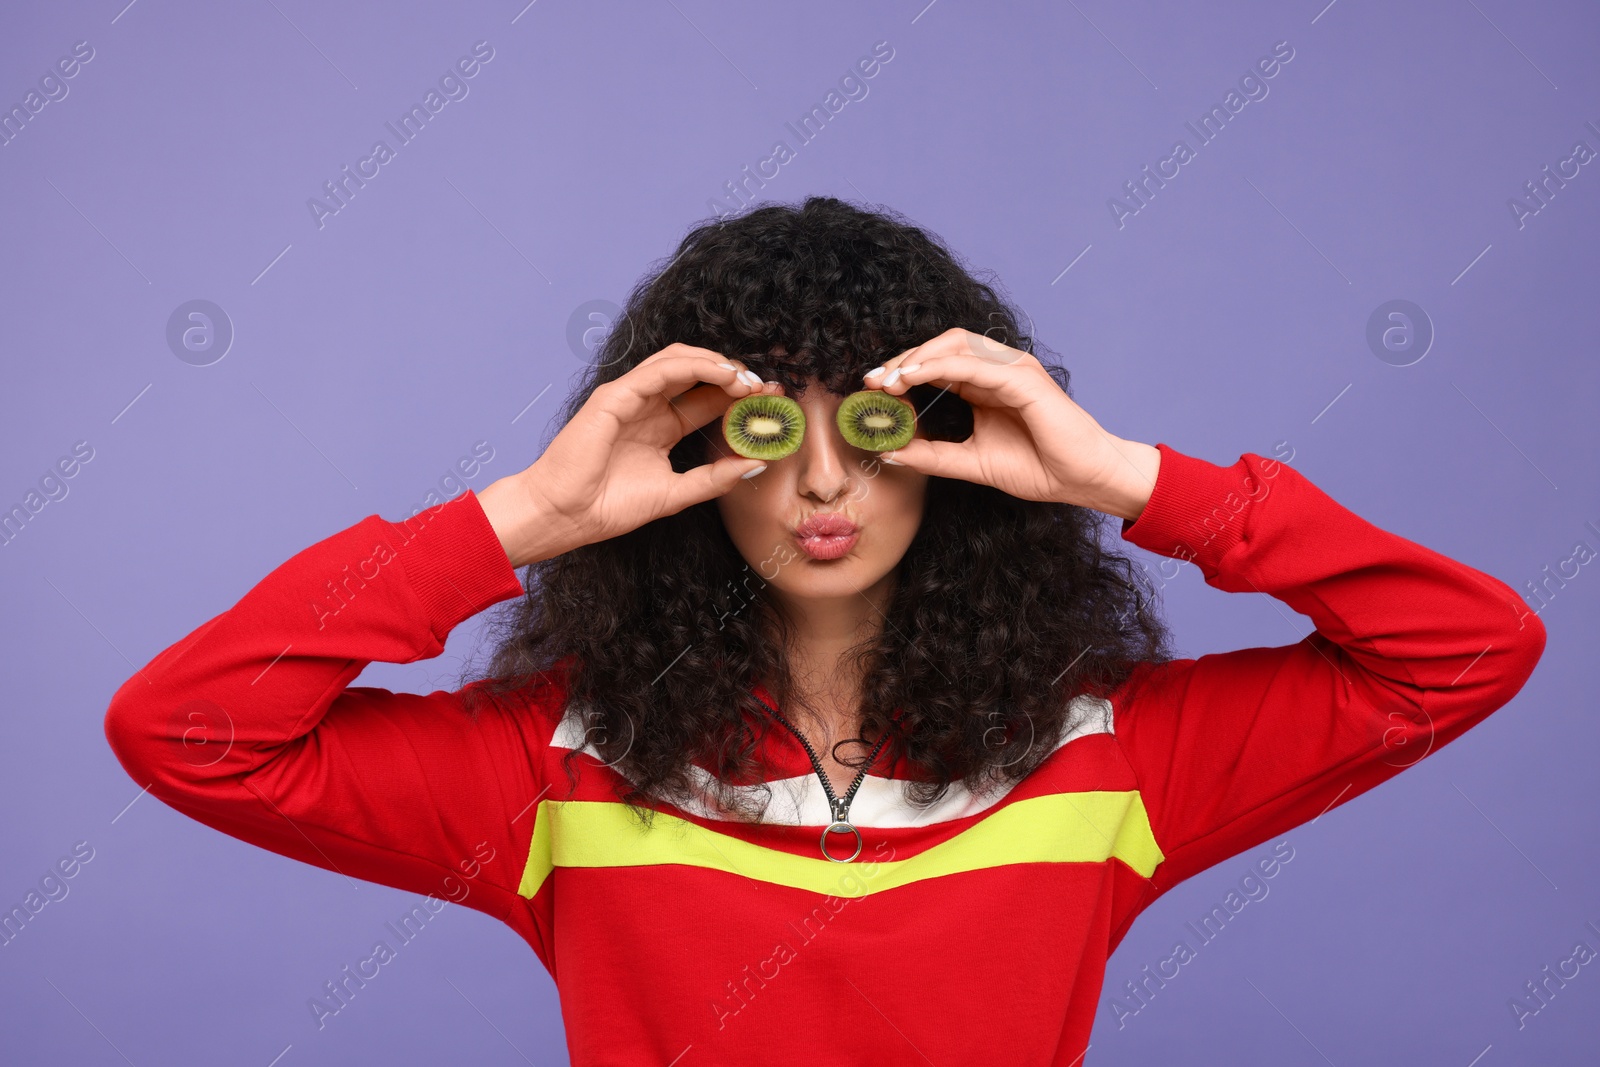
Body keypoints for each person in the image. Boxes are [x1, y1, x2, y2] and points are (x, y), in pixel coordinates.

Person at [104, 196, 1545, 1065]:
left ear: (942, 433)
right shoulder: (552, 767)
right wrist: (529, 516)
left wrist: (1121, 478)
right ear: (686, 459)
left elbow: (1467, 648)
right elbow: (190, 734)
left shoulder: (1113, 758)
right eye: (756, 432)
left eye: (869, 419)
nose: (821, 479)